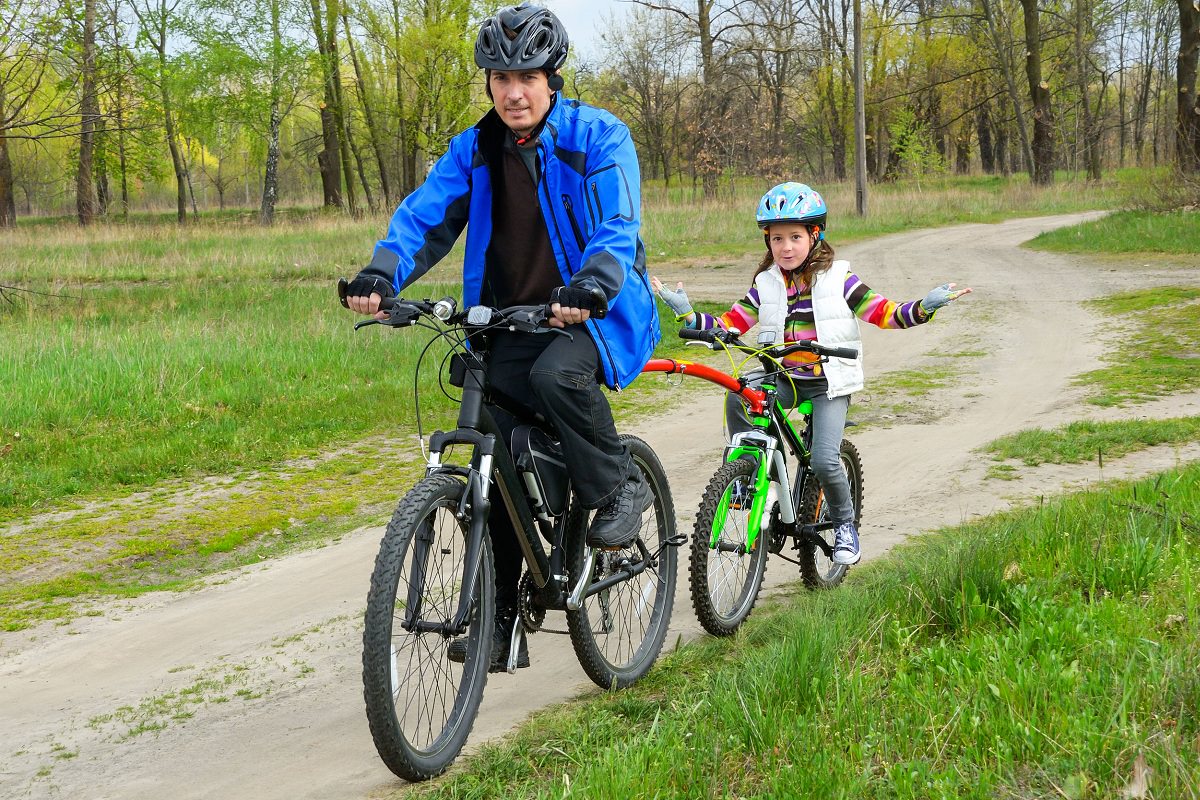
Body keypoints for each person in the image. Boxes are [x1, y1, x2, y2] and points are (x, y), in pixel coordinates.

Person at [342, 4, 659, 672]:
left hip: (593, 314)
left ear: (552, 77)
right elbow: (426, 217)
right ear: (488, 82)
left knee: (555, 377)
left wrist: (592, 284)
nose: (513, 91)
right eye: (500, 76)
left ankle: (618, 486)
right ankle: (502, 620)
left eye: (527, 75)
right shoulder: (477, 148)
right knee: (496, 451)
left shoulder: (598, 137)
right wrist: (381, 272)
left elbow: (616, 224)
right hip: (507, 316)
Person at [651, 181, 971, 566]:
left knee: (823, 460)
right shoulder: (765, 284)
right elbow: (729, 325)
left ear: (815, 236)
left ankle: (845, 524)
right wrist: (687, 312)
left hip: (829, 383)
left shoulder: (840, 279)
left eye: (795, 237)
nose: (785, 247)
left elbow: (884, 313)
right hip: (783, 378)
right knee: (739, 392)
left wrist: (923, 307)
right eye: (777, 238)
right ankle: (751, 471)